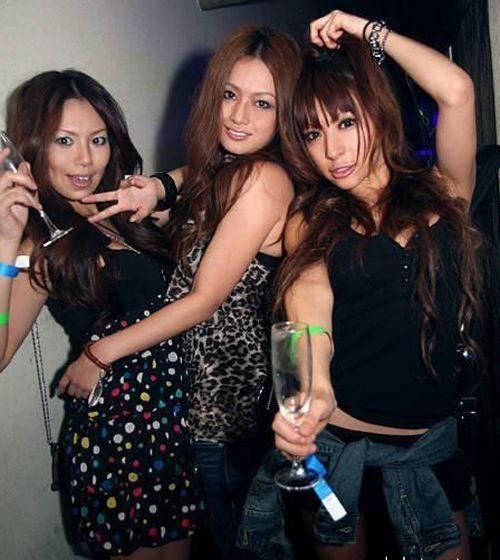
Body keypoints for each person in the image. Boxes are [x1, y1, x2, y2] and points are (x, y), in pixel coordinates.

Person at [243, 9, 483, 560]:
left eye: (346, 122)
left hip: (426, 450)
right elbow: (308, 297)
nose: (333, 150)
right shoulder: (312, 217)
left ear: (377, 110)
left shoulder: (445, 190)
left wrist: (363, 30)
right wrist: (314, 386)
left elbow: (458, 91)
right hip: (337, 447)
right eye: (314, 133)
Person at [62, 26, 300, 560]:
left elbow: (203, 300)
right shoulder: (230, 169)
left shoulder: (264, 179)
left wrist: (99, 354)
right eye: (229, 94)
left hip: (230, 418)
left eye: (262, 103)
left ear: (285, 114)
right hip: (199, 415)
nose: (238, 116)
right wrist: (159, 186)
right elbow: (199, 172)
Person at [0, 70, 204, 560]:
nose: (85, 159)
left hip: (172, 427)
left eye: (98, 139)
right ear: (33, 148)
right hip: (116, 437)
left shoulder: (127, 210)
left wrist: (158, 187)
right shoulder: (41, 248)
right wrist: (6, 246)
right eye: (64, 141)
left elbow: (214, 173)